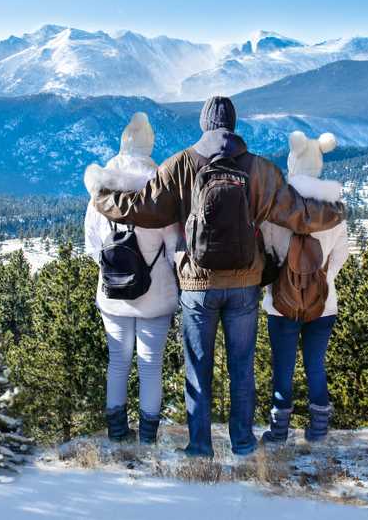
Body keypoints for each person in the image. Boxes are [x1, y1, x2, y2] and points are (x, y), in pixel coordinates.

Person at [85, 96, 345, 457]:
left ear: (204, 124)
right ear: (234, 125)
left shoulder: (181, 165)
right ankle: (242, 442)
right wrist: (335, 211)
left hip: (197, 284)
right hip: (244, 284)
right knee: (242, 368)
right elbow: (297, 214)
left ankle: (200, 446)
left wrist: (101, 195)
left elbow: (142, 208)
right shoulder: (261, 169)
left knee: (198, 368)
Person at [83, 112, 180, 444]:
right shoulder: (160, 193)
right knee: (151, 367)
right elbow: (173, 247)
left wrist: (115, 270)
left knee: (118, 363)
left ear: (122, 146)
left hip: (113, 293)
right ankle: (148, 438)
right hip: (156, 294)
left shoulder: (102, 192)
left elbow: (93, 245)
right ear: (149, 146)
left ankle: (117, 433)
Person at [259, 131, 350, 444]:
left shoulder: (277, 208)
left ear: (293, 162)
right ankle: (318, 431)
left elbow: (267, 250)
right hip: (323, 303)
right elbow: (341, 255)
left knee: (282, 368)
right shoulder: (335, 210)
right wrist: (322, 279)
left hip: (280, 302)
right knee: (315, 366)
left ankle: (279, 431)